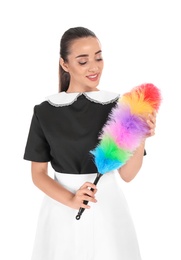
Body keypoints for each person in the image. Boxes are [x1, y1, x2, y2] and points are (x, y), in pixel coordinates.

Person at [23, 26, 157, 260]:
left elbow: (127, 174)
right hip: (60, 210)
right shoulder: (45, 111)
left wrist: (141, 137)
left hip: (108, 209)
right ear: (65, 64)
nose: (94, 67)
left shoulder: (120, 105)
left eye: (99, 57)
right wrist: (71, 199)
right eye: (83, 61)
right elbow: (38, 173)